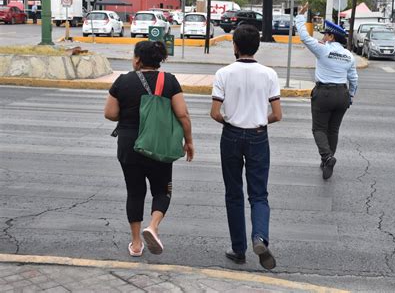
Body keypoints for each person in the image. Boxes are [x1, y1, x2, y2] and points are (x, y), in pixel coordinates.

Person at [104, 40, 194, 257]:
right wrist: (188, 141)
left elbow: (110, 113)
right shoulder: (169, 81)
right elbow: (182, 114)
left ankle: (136, 244)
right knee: (162, 190)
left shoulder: (123, 81)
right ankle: (153, 227)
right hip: (158, 144)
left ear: (137, 59)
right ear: (159, 60)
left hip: (129, 144)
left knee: (134, 192)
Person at [210, 24, 282, 270]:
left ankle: (238, 249)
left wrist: (232, 120)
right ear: (257, 47)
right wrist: (259, 120)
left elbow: (215, 113)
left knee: (233, 193)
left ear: (235, 46)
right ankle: (259, 238)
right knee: (259, 194)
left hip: (231, 136)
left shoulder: (224, 73)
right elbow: (277, 114)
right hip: (258, 136)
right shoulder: (269, 74)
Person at [295, 2, 358, 180]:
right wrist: (351, 96)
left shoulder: (323, 50)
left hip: (324, 93)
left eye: (325, 35)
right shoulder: (349, 56)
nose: (323, 37)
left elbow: (304, 37)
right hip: (342, 94)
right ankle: (326, 162)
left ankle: (327, 157)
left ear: (331, 37)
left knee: (319, 129)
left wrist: (300, 16)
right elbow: (354, 79)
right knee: (333, 130)